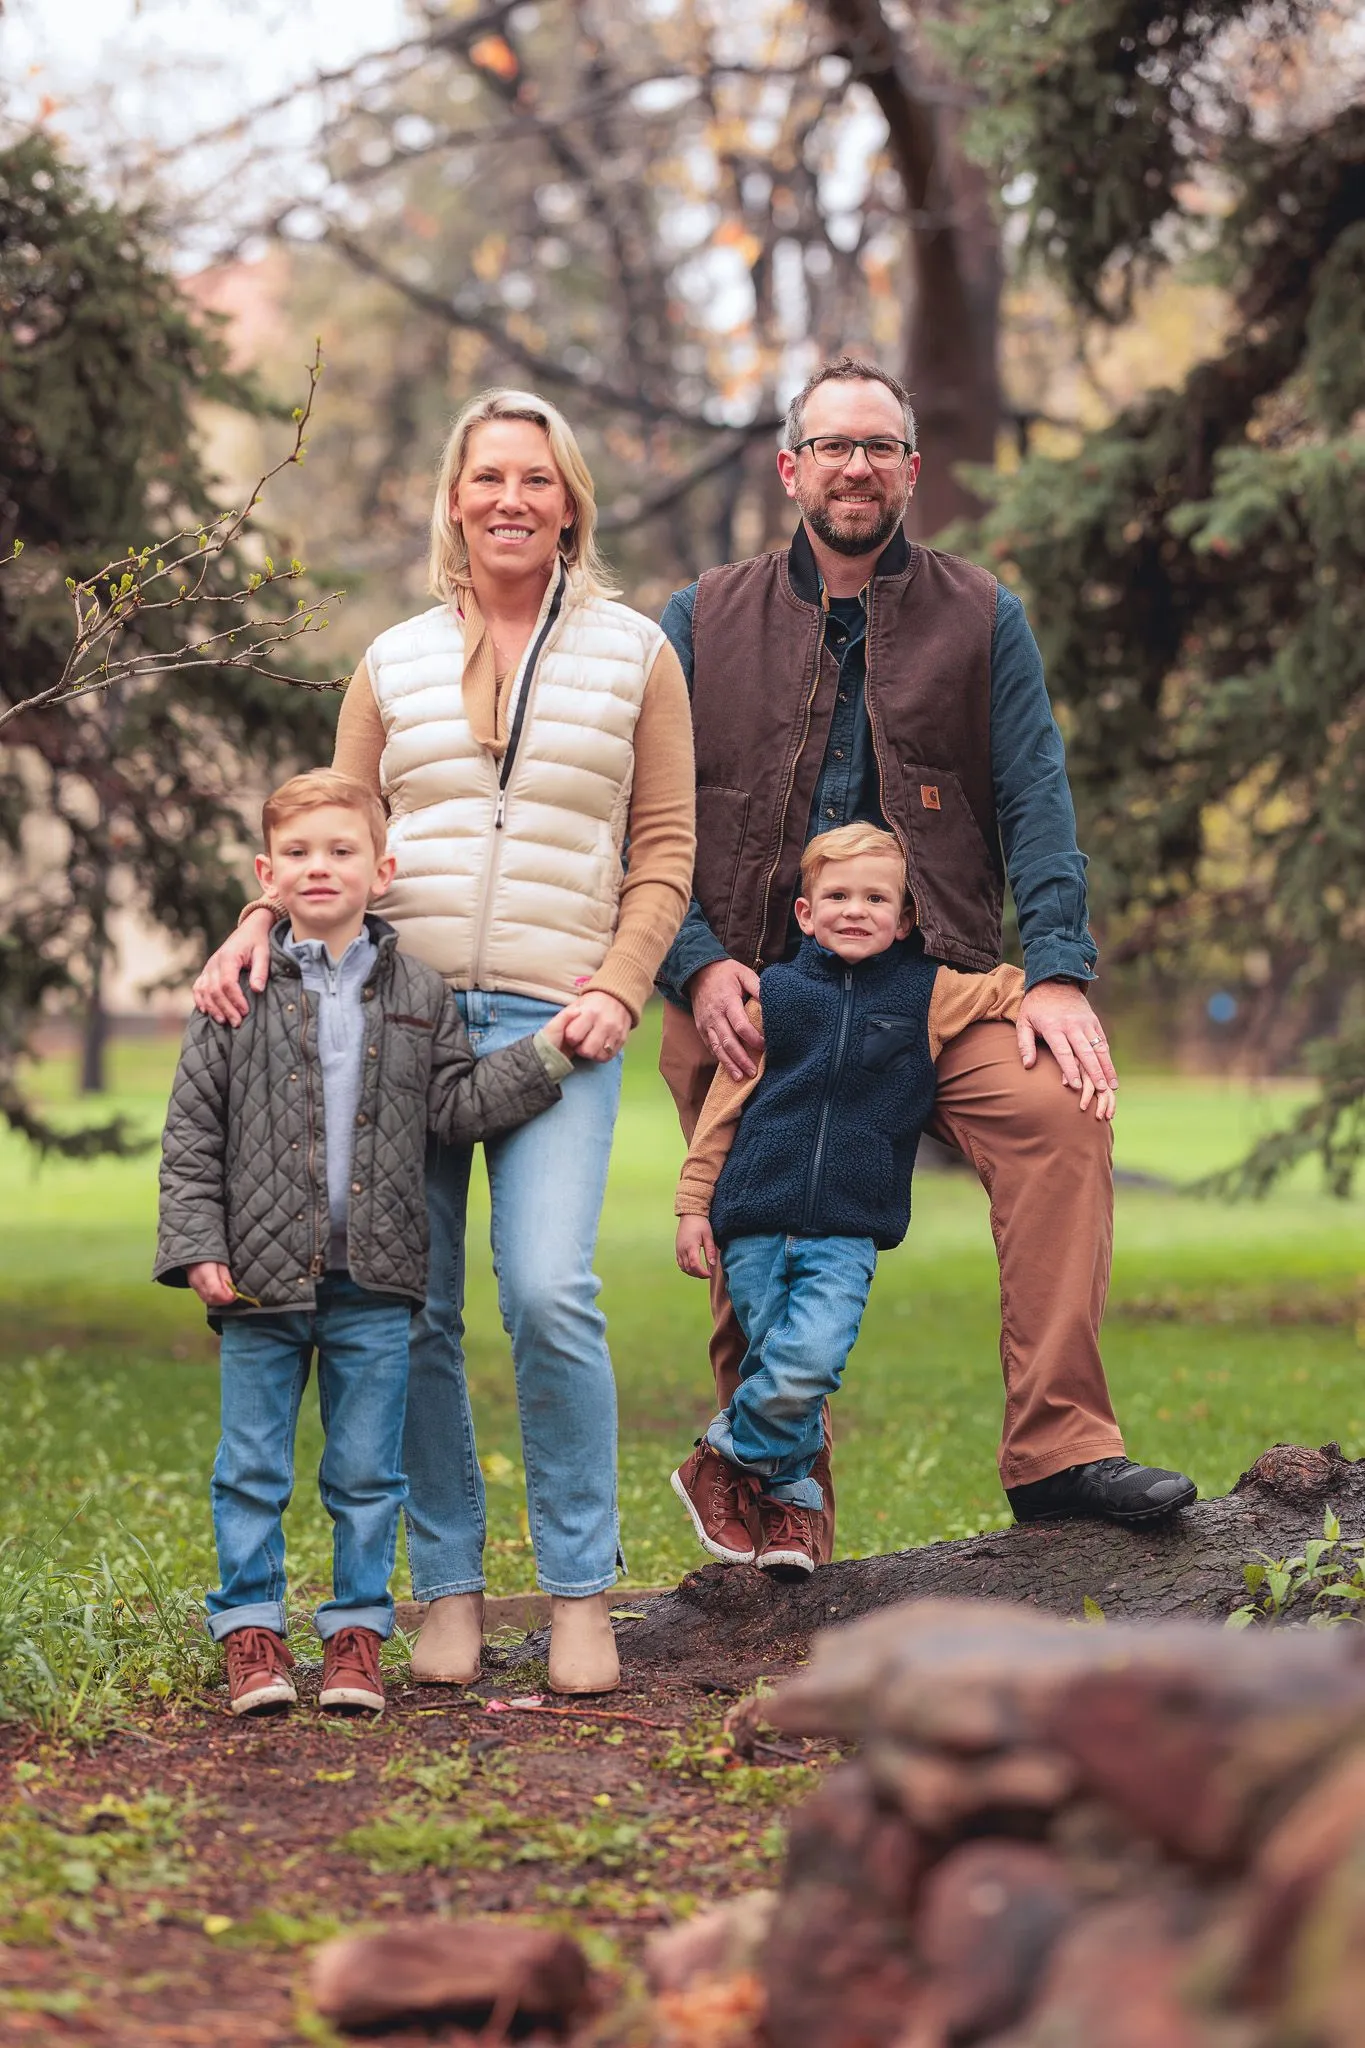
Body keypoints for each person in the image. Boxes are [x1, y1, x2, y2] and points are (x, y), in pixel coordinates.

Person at [190, 391, 695, 1696]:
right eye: (488, 479)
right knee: (404, 1312)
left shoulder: (639, 653)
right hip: (393, 1015)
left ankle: (582, 1591)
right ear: (455, 499)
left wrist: (625, 990)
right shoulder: (393, 660)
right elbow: (332, 823)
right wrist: (257, 917)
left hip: (554, 1021)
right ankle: (448, 1588)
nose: (511, 499)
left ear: (569, 499)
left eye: (536, 478)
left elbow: (667, 851)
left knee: (546, 1291)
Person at [657, 356, 1196, 1557]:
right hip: (753, 981)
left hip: (939, 983)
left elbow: (1038, 800)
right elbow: (641, 817)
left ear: (910, 468)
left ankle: (1061, 1450)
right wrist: (694, 965)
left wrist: (1055, 969)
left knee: (1060, 1109)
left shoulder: (980, 612)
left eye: (879, 447)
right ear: (791, 468)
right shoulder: (701, 616)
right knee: (760, 1227)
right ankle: (780, 1506)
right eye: (832, 446)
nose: (856, 466)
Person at [155, 770, 572, 1717]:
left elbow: (458, 1106)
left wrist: (552, 1051)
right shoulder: (238, 985)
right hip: (257, 1284)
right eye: (297, 853)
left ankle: (355, 1635)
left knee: (365, 1473)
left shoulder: (421, 992)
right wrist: (196, 1244)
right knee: (251, 1466)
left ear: (380, 870)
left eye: (341, 851)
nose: (319, 868)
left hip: (377, 1282)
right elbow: (192, 1131)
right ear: (268, 872)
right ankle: (252, 1633)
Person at [670, 825, 1080, 1575]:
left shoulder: (928, 993)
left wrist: (1047, 993)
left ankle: (719, 1457)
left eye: (874, 898)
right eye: (836, 896)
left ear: (904, 917)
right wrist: (694, 1205)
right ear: (803, 912)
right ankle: (792, 1503)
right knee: (772, 1359)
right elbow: (723, 1108)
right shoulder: (776, 996)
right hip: (756, 1218)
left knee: (810, 1362)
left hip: (848, 1229)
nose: (853, 910)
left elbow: (1006, 987)